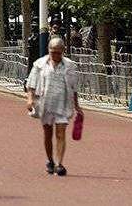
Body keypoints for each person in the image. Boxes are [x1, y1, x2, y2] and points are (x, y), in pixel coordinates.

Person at [26, 37, 82, 177]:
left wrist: (77, 106)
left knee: (61, 133)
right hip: (45, 104)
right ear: (48, 50)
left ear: (63, 51)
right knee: (48, 133)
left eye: (58, 52)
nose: (55, 55)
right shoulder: (39, 64)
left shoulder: (70, 66)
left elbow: (74, 87)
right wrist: (30, 99)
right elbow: (31, 84)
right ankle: (50, 160)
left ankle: (59, 164)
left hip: (63, 103)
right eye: (52, 52)